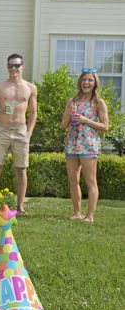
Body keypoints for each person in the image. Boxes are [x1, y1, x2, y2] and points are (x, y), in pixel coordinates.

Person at [0, 53, 38, 214]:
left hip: (21, 131)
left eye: (17, 65)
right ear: (7, 67)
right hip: (2, 129)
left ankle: (21, 206)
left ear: (23, 66)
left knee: (21, 169)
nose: (13, 69)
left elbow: (33, 112)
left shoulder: (30, 88)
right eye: (10, 66)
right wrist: (0, 111)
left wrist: (29, 133)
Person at [61, 68, 109, 222]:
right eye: (84, 79)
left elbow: (105, 126)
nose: (86, 83)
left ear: (95, 83)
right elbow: (63, 125)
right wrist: (70, 112)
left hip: (88, 145)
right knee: (73, 180)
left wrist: (86, 120)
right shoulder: (72, 101)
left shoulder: (98, 103)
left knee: (90, 181)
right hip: (72, 143)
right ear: (80, 82)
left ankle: (90, 216)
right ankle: (77, 213)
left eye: (90, 80)